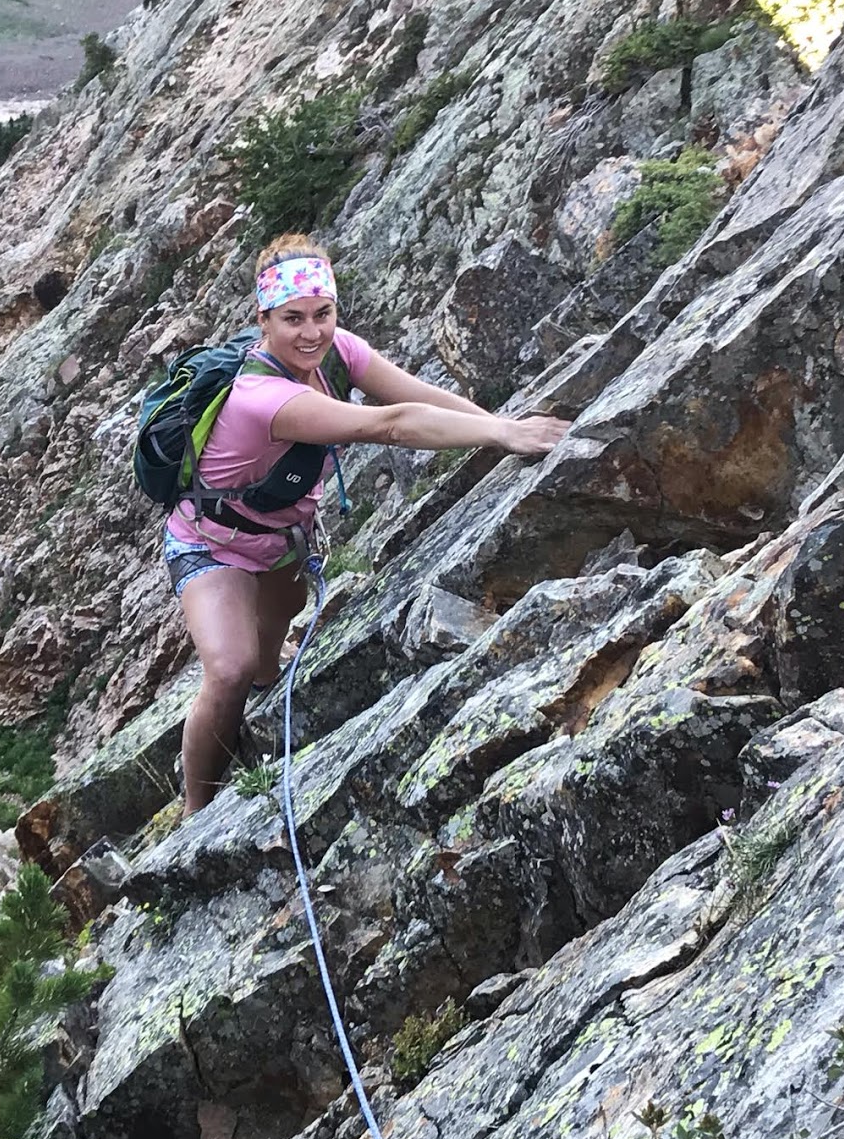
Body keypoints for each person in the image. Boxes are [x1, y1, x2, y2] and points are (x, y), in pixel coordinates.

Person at [164, 234, 570, 814]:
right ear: (264, 321)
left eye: (323, 314)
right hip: (211, 544)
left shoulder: (337, 353)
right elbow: (392, 424)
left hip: (282, 544)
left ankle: (257, 712)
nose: (311, 333)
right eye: (293, 319)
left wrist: (500, 424)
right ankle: (196, 812)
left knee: (263, 668)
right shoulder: (259, 396)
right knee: (228, 670)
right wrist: (503, 435)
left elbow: (419, 395)